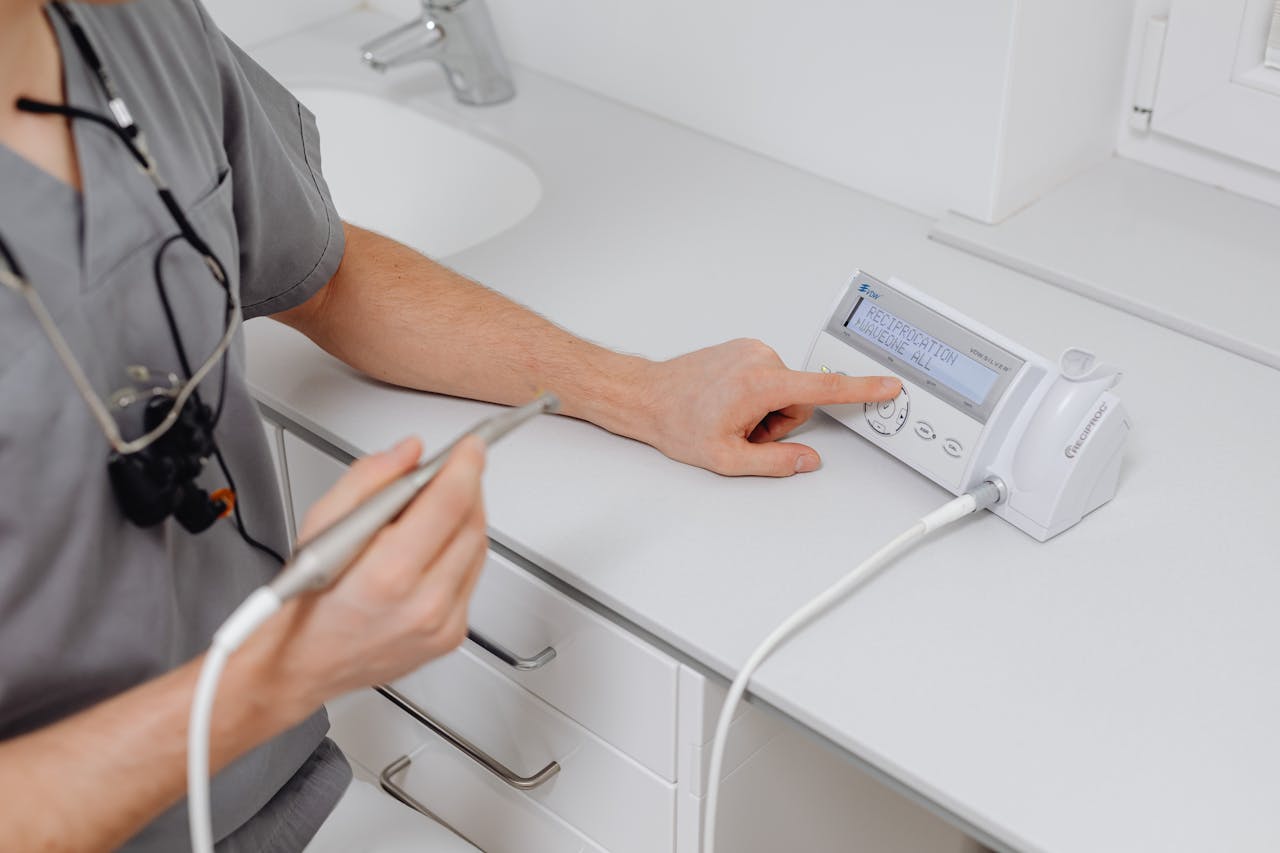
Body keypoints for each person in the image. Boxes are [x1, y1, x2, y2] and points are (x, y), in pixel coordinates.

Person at [0, 0, 901, 850]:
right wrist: (288, 667)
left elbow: (323, 274)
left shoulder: (138, 32)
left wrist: (638, 393)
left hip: (272, 808)